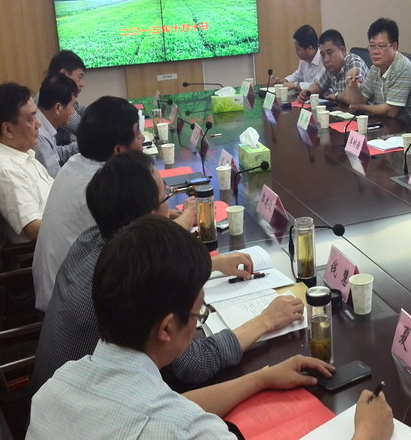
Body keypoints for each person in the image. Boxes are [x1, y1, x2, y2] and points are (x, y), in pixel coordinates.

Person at [27, 214, 393, 440]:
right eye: (198, 313)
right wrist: (367, 435)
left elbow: (161, 404)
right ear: (167, 329)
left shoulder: (54, 390)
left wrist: (261, 378)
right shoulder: (189, 432)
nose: (198, 320)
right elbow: (168, 417)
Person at [33, 151, 303, 389]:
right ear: (149, 216)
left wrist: (215, 264)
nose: (170, 204)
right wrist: (266, 320)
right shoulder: (133, 283)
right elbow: (196, 363)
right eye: (166, 196)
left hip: (57, 394)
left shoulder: (92, 239)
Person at [31, 96, 143, 311]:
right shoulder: (103, 184)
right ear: (118, 150)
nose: (142, 139)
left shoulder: (75, 163)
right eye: (138, 134)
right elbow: (143, 252)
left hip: (59, 295)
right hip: (75, 309)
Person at [0, 82, 53, 242]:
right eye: (31, 119)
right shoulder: (7, 172)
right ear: (8, 129)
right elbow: (34, 229)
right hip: (54, 247)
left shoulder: (20, 151)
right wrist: (77, 222)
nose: (39, 124)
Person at [345, 17, 411, 123]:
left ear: (394, 47)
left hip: (407, 127)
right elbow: (360, 100)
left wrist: (363, 107)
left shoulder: (402, 68)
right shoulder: (375, 68)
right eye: (372, 46)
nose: (375, 51)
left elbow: (391, 111)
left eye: (381, 46)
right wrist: (352, 83)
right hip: (385, 124)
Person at [297, 29, 369, 102]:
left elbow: (352, 98)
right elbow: (318, 86)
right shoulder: (331, 68)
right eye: (322, 55)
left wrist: (336, 95)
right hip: (342, 108)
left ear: (343, 50)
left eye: (330, 53)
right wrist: (307, 92)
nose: (326, 59)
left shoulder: (354, 63)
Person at [32, 73, 79, 178]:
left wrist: (85, 145)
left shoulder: (44, 124)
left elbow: (57, 153)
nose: (72, 112)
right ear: (58, 108)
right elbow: (56, 178)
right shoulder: (38, 134)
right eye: (72, 106)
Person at [47, 50, 87, 145]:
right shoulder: (55, 98)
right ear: (63, 74)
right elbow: (84, 130)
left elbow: (85, 112)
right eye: (79, 77)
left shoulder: (64, 95)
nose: (82, 84)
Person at [274, 25, 323, 91]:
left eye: (298, 49)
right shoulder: (304, 60)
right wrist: (283, 81)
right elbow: (297, 76)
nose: (296, 52)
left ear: (310, 48)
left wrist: (295, 86)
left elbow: (318, 85)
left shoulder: (323, 60)